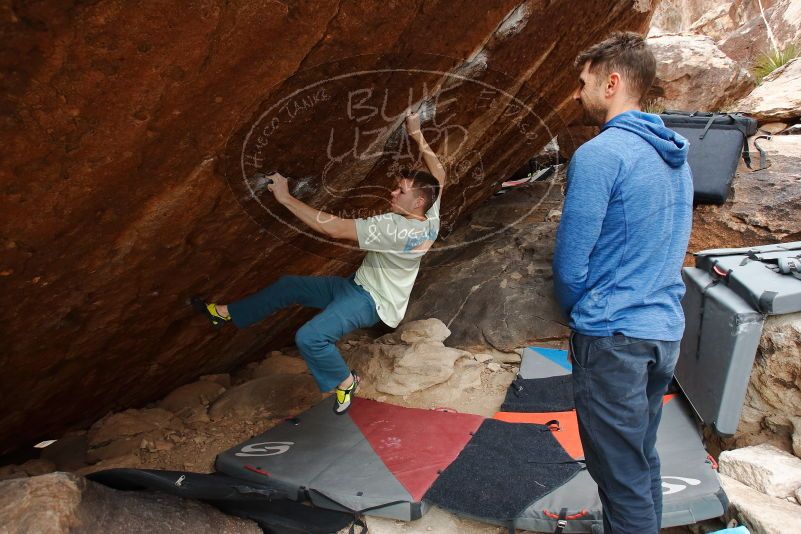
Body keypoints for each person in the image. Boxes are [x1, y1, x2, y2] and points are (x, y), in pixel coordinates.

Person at [193, 111, 446, 415]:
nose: (392, 192)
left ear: (416, 202)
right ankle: (225, 313)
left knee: (310, 338)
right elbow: (439, 176)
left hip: (370, 301)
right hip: (357, 287)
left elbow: (333, 228)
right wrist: (415, 132)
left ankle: (345, 382)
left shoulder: (396, 228)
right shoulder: (429, 215)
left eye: (400, 191)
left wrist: (285, 198)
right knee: (289, 286)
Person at [552, 32, 693, 533]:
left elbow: (570, 263)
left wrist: (575, 312)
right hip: (662, 333)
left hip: (613, 338)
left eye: (583, 82)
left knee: (620, 475)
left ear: (612, 82)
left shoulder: (600, 154)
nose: (577, 93)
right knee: (639, 459)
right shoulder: (676, 158)